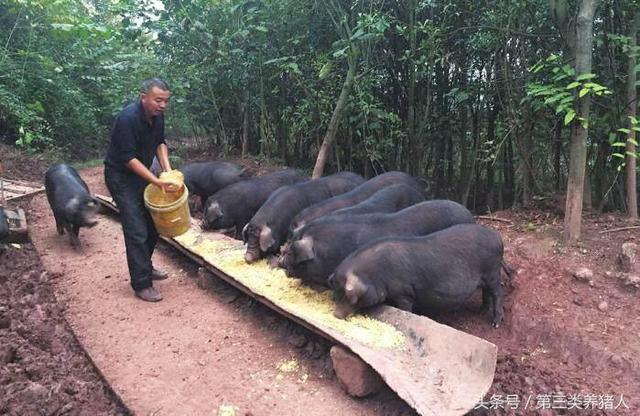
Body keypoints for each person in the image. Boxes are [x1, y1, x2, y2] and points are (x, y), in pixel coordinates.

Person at [104, 78, 178, 302]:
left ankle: (144, 265)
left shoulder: (157, 117)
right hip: (121, 177)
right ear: (143, 96)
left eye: (165, 101)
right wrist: (156, 182)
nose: (162, 105)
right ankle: (142, 283)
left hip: (142, 174)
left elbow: (160, 143)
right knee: (136, 228)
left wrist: (167, 170)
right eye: (158, 100)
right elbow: (128, 159)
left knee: (154, 224)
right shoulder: (127, 119)